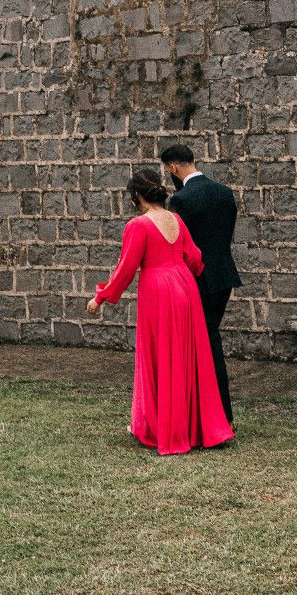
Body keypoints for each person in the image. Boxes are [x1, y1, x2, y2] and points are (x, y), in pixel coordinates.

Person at [86, 170, 233, 456]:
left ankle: (159, 427)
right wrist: (185, 279)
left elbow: (126, 268)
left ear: (138, 196)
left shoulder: (138, 225)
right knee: (187, 357)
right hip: (185, 287)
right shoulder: (176, 219)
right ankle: (195, 428)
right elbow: (195, 257)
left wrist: (100, 296)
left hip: (159, 291)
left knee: (160, 357)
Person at [161, 145, 242, 424]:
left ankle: (218, 414)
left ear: (172, 168)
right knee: (208, 339)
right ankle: (208, 412)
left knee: (206, 343)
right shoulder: (224, 192)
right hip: (224, 275)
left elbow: (179, 243)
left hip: (197, 278)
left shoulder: (181, 200)